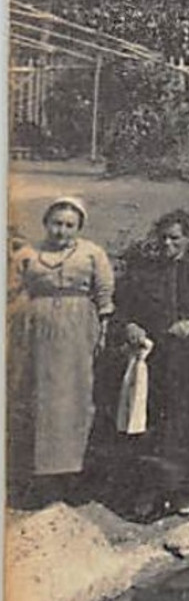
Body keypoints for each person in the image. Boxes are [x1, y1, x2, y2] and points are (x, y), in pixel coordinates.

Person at [108, 209, 189, 513]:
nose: (168, 244)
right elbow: (122, 310)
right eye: (163, 238)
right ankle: (149, 490)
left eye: (175, 238)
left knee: (185, 428)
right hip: (155, 364)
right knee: (150, 427)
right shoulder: (144, 272)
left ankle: (182, 493)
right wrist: (129, 327)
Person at [7, 197, 115, 506]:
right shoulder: (28, 254)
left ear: (78, 227)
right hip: (34, 335)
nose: (61, 231)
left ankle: (71, 476)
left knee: (73, 399)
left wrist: (103, 328)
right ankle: (38, 478)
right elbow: (12, 292)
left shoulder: (92, 254)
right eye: (56, 223)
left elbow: (104, 293)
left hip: (78, 331)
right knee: (39, 399)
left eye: (69, 225)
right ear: (46, 223)